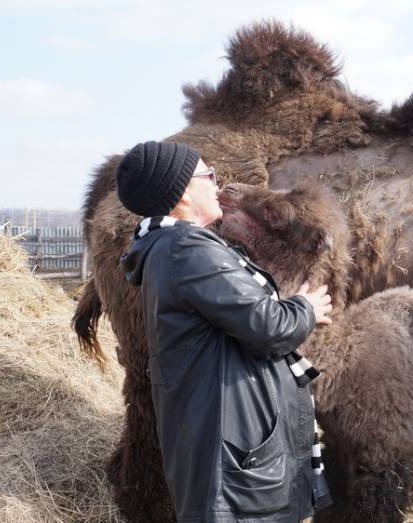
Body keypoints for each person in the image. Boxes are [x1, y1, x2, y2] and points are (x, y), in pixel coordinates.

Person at [116, 140, 332, 522]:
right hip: (231, 457)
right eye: (208, 175)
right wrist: (305, 308)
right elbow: (269, 327)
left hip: (222, 443)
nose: (217, 185)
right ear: (182, 191)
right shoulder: (188, 249)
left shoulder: (170, 248)